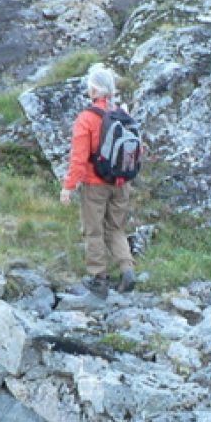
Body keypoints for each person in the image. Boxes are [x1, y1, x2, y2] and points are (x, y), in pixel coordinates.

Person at [59, 63, 135, 299]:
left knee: (93, 231)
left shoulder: (87, 118)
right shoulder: (123, 115)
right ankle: (127, 270)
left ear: (93, 90)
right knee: (116, 228)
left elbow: (79, 158)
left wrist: (68, 187)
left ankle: (98, 279)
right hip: (121, 182)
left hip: (95, 184)